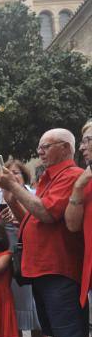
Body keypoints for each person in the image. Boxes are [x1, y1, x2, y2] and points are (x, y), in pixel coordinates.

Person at [0, 128, 90, 337]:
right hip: (43, 269)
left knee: (71, 336)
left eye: (45, 146)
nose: (40, 152)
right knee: (58, 334)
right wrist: (12, 200)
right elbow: (33, 219)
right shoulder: (47, 178)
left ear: (64, 148)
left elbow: (48, 214)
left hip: (60, 268)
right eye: (40, 147)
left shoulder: (71, 174)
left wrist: (15, 185)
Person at [0, 159, 47, 337]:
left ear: (23, 176)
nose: (12, 176)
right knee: (13, 316)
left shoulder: (34, 195)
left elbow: (39, 222)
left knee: (36, 317)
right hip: (10, 261)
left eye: (16, 173)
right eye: (8, 172)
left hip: (32, 259)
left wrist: (18, 216)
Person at [64, 119, 92, 320]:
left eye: (88, 140)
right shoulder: (86, 179)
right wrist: (78, 187)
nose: (82, 147)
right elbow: (72, 225)